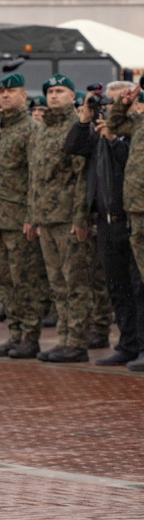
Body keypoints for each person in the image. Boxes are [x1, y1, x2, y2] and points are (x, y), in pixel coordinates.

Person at [0, 73, 50, 359]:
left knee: (25, 281)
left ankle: (29, 337)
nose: (5, 96)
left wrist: (32, 216)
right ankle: (15, 333)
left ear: (25, 96)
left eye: (12, 91)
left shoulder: (30, 130)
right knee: (4, 281)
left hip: (19, 218)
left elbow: (35, 177)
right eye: (2, 92)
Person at [27, 73, 92, 362]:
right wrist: (33, 216)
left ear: (72, 96)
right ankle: (64, 338)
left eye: (60, 91)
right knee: (57, 284)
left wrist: (80, 218)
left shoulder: (75, 128)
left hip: (67, 218)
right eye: (50, 91)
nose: (53, 96)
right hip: (46, 218)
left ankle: (76, 341)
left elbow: (81, 178)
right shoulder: (42, 130)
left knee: (74, 282)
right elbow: (35, 178)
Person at [95, 80, 144, 371]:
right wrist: (122, 104)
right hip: (136, 211)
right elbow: (114, 124)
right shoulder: (139, 124)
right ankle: (132, 345)